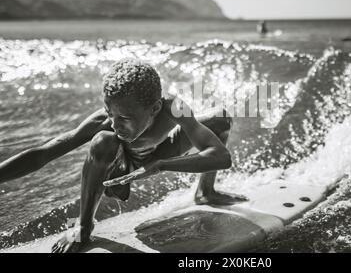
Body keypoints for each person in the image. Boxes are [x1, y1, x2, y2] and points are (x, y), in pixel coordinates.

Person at [0, 58, 247, 252]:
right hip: (122, 166)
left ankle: (205, 192)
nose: (115, 124)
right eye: (110, 113)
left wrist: (162, 165)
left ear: (155, 108)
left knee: (220, 117)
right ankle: (84, 225)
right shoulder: (105, 124)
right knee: (103, 141)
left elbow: (221, 156)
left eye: (125, 118)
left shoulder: (174, 107)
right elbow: (44, 153)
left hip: (158, 155)